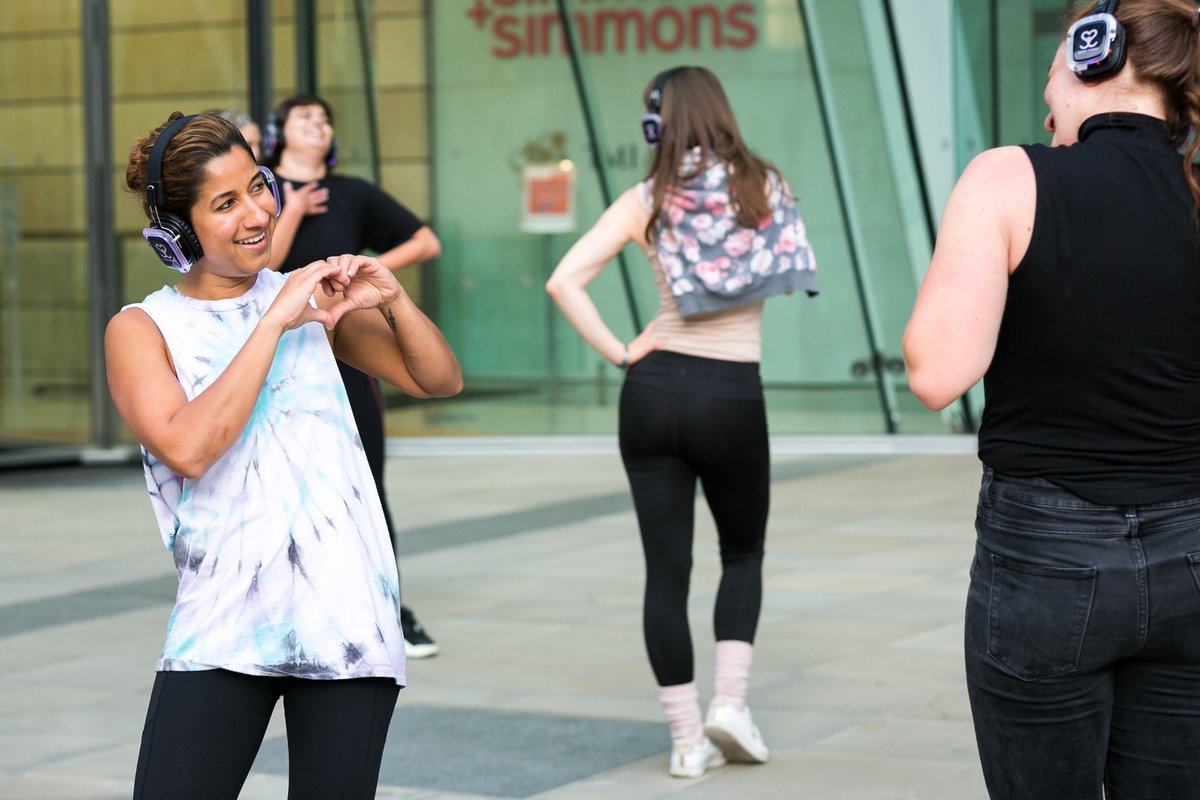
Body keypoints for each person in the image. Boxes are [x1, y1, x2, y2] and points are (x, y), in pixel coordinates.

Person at [109, 111, 462, 799]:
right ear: (175, 232)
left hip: (347, 617)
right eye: (225, 202)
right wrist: (272, 319)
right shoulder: (142, 328)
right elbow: (187, 447)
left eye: (259, 186)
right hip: (223, 623)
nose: (258, 212)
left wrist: (392, 299)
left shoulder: (310, 305)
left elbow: (438, 379)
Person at [903, 1, 1200, 797]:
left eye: (1051, 77)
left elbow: (936, 372)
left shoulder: (1008, 176)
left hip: (1049, 563)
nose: (1046, 104)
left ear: (1091, 54)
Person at [545, 66, 817, 779]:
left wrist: (621, 351)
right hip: (730, 393)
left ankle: (686, 741)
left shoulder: (646, 200)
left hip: (653, 386)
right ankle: (730, 704)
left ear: (658, 122)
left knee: (665, 573)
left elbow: (564, 279)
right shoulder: (765, 187)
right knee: (742, 554)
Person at [263, 94, 443, 658]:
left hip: (348, 344)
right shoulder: (260, 195)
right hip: (279, 354)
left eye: (324, 118)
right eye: (304, 117)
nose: (317, 124)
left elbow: (426, 239)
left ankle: (389, 607)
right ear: (280, 132)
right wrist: (290, 209)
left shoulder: (353, 193)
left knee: (367, 476)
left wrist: (372, 275)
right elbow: (263, 268)